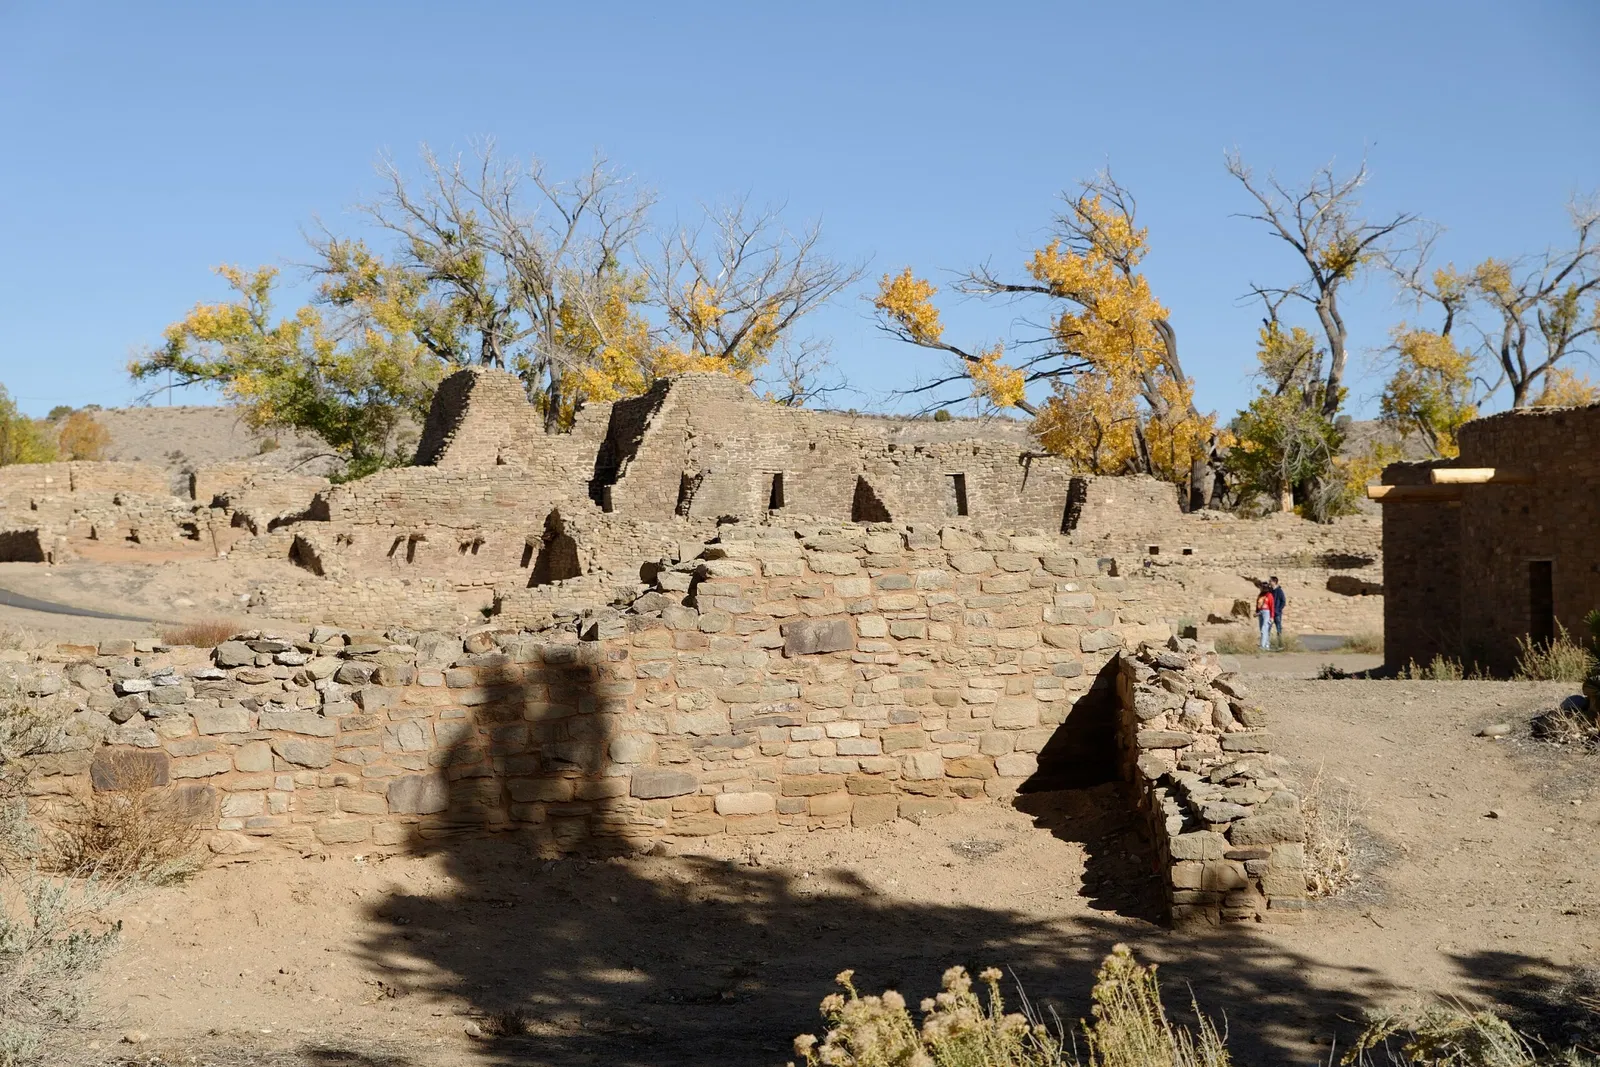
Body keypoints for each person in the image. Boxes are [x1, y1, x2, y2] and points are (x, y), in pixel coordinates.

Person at [1255, 583, 1275, 651]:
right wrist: (1257, 612)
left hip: (1267, 612)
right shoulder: (1260, 595)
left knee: (1264, 629)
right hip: (1260, 612)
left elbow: (1272, 606)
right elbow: (1257, 604)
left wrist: (1272, 617)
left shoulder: (1269, 595)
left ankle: (1262, 646)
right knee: (1262, 629)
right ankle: (1267, 645)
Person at [1269, 576, 1286, 645]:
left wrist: (1278, 610)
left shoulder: (1279, 591)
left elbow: (1283, 601)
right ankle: (1267, 643)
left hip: (1277, 613)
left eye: (1270, 581)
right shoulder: (1270, 591)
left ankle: (1280, 643)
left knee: (1278, 628)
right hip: (1270, 613)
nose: (1269, 582)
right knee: (1268, 628)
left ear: (1274, 582)